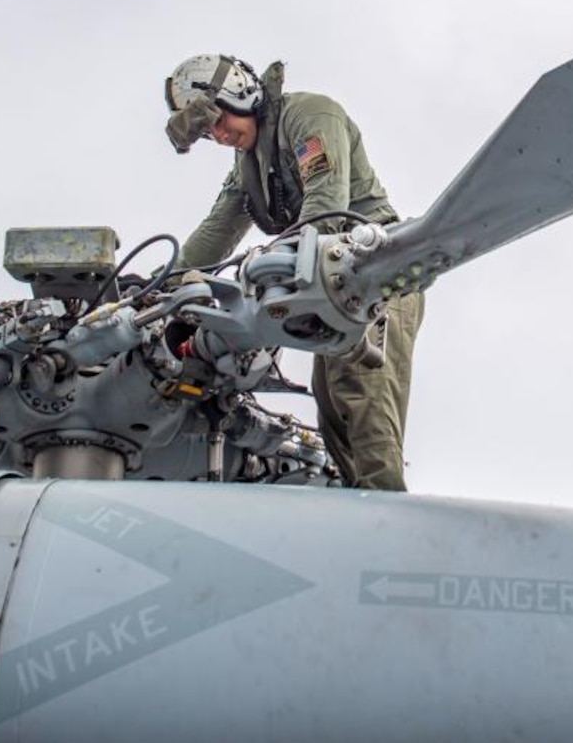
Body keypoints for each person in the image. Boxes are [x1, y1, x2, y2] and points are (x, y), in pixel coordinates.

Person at [163, 54, 424, 491]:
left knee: (359, 393)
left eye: (218, 119)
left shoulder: (309, 116)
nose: (219, 134)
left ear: (239, 94)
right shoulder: (248, 167)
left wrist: (270, 270)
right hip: (333, 287)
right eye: (209, 131)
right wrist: (163, 282)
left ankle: (388, 514)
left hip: (377, 274)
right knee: (331, 404)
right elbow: (214, 234)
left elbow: (324, 208)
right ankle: (361, 510)